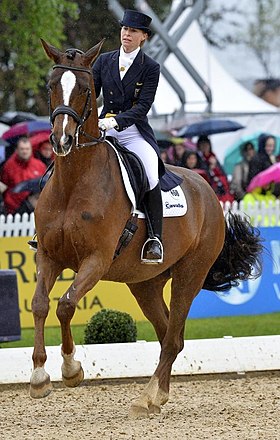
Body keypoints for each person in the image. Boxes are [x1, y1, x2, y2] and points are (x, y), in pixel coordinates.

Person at [93, 9, 167, 263]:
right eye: (124, 29)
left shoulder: (150, 68)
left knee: (150, 172)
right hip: (102, 127)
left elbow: (142, 107)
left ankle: (155, 238)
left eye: (133, 31)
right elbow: (91, 95)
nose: (126, 34)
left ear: (143, 37)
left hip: (133, 131)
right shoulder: (104, 61)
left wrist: (115, 121)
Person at [0, 136, 46, 215]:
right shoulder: (9, 166)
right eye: (22, 149)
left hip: (36, 207)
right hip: (14, 208)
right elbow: (4, 187)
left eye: (27, 149)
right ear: (16, 150)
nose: (25, 151)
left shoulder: (39, 165)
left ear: (31, 150)